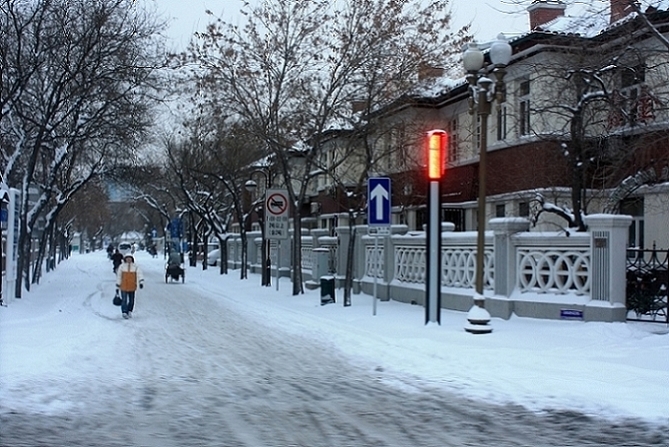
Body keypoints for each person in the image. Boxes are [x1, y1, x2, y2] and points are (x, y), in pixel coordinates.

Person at [115, 254, 144, 319]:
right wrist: (118, 285)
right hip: (123, 286)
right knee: (124, 300)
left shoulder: (135, 267)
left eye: (130, 258)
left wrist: (141, 282)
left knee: (131, 300)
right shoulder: (122, 267)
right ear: (125, 259)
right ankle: (124, 312)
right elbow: (119, 276)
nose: (128, 260)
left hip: (132, 286)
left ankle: (129, 310)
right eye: (127, 258)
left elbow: (140, 274)